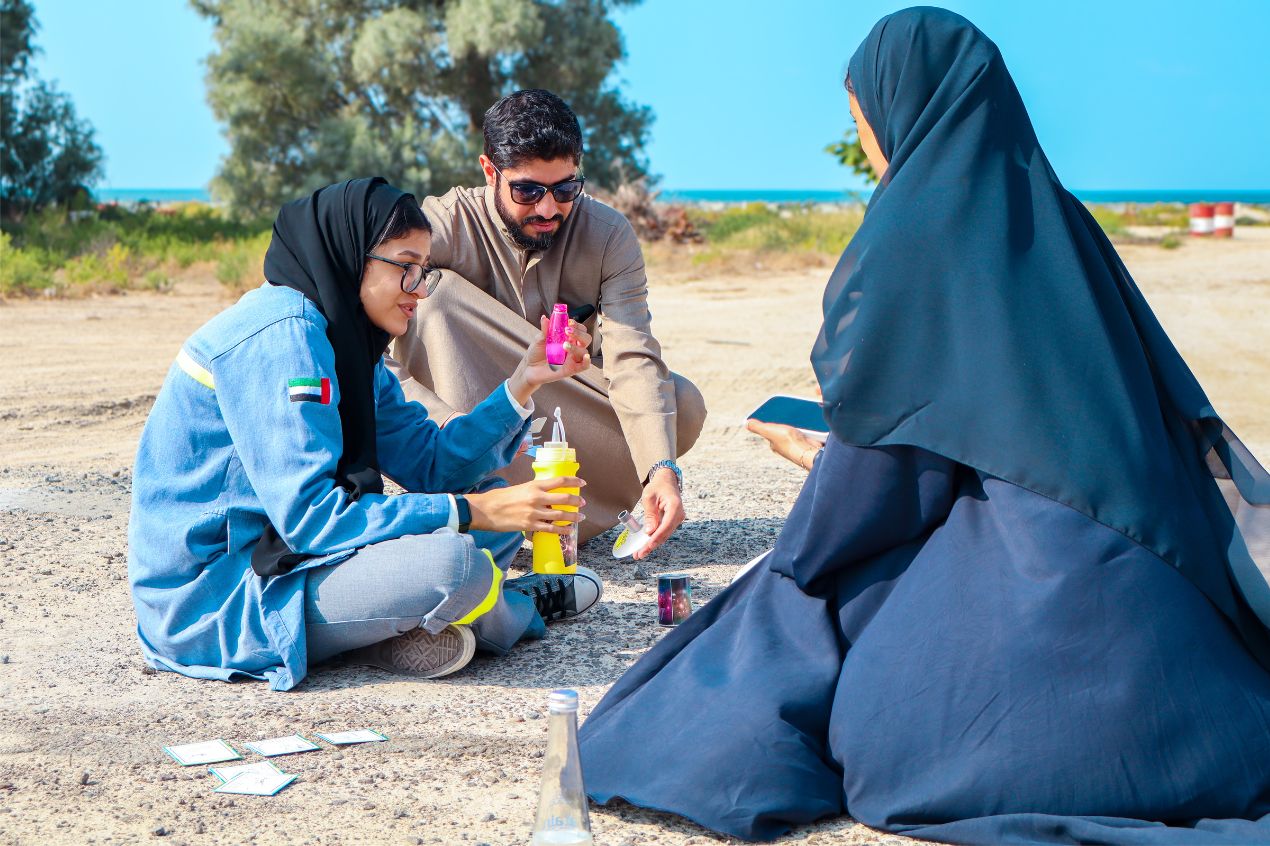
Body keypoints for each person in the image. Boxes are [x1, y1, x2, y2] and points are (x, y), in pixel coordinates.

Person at [578, 9, 1270, 844]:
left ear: (900, 108)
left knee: (821, 636)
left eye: (860, 122)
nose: (868, 146)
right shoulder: (1067, 226)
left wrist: (818, 498)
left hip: (1039, 673)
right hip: (1196, 676)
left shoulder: (906, 239)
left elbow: (883, 494)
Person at [128, 177, 604, 692]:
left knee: (499, 507)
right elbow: (314, 519)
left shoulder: (346, 341)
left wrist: (524, 380)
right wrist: (474, 514)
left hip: (291, 556)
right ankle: (514, 607)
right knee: (456, 562)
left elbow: (436, 466)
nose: (420, 289)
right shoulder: (283, 337)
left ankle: (398, 632)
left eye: (424, 270)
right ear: (352, 254)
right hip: (223, 597)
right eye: (406, 268)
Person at [386, 89, 706, 559]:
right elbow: (362, 344)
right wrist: (448, 427)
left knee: (681, 403)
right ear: (489, 171)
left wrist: (661, 469)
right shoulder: (440, 225)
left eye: (565, 189)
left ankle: (558, 519)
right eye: (528, 191)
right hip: (466, 434)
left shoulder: (608, 235)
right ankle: (480, 505)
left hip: (557, 421)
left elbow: (632, 354)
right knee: (436, 298)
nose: (548, 209)